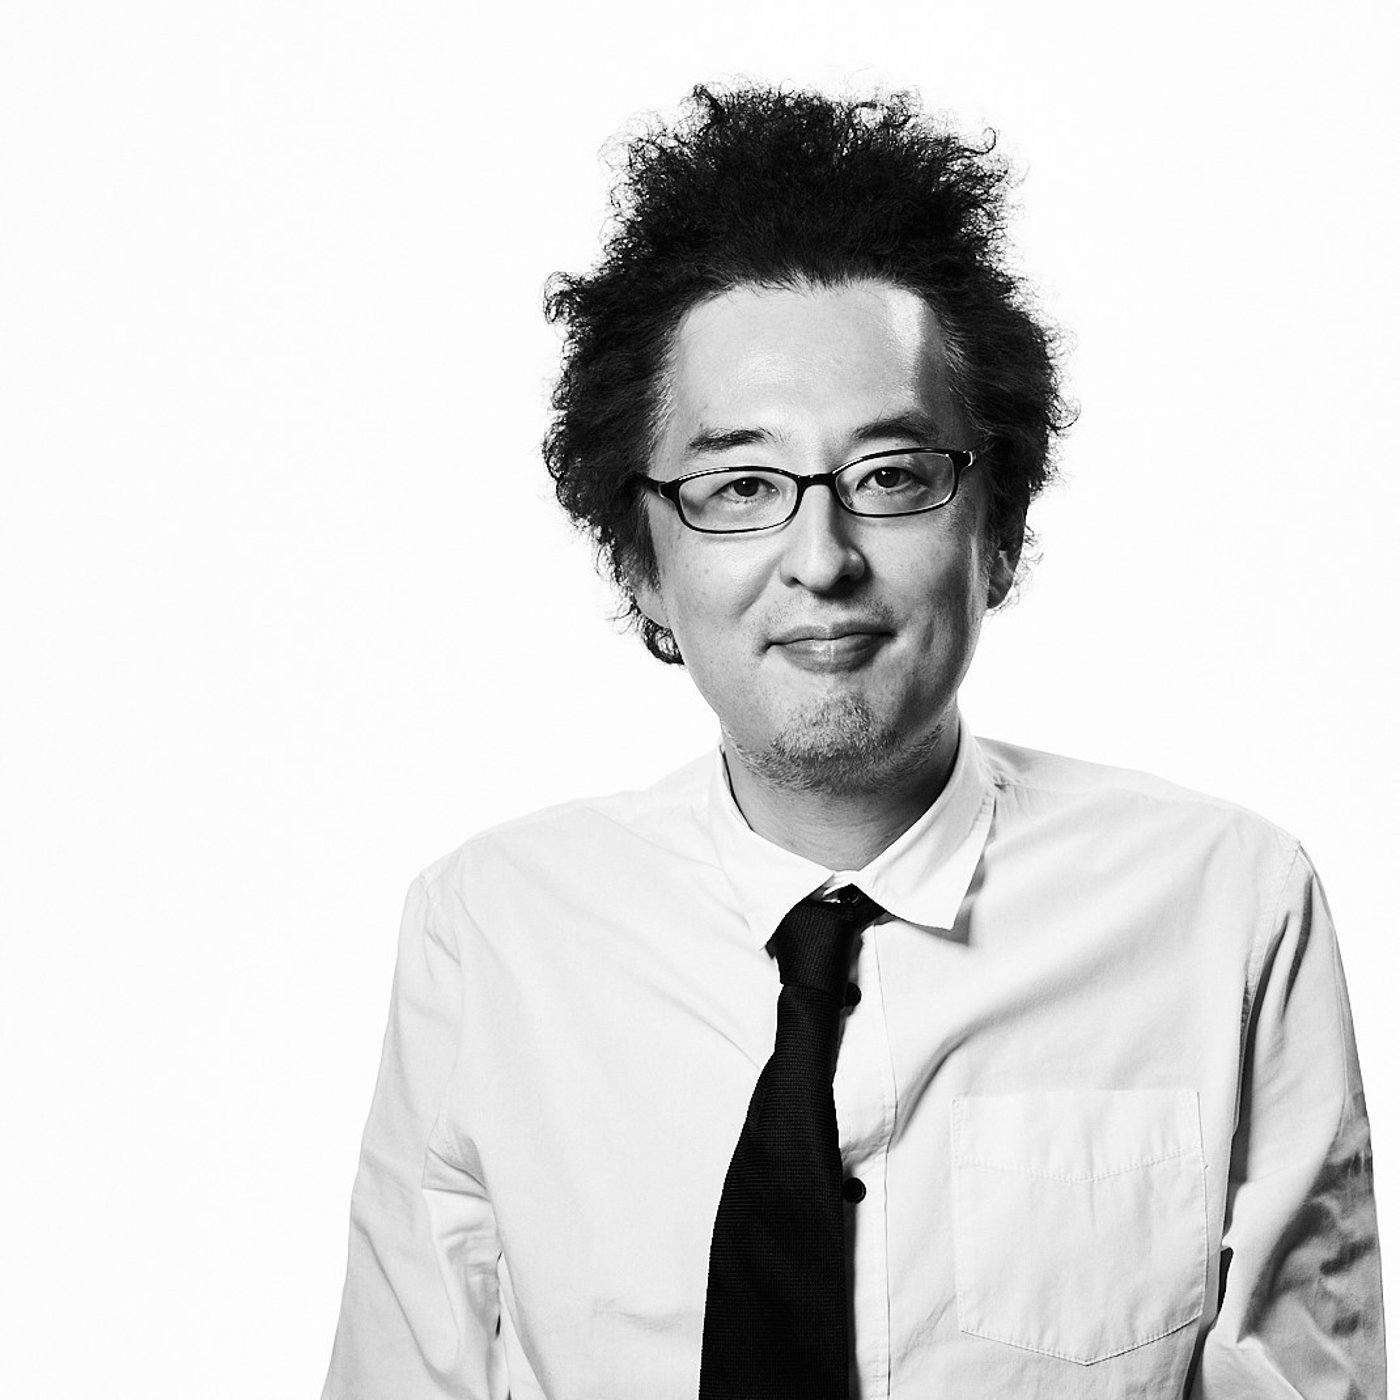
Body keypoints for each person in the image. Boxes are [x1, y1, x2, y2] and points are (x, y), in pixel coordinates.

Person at [321, 85, 1384, 1398]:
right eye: (740, 487)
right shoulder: (492, 933)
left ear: (997, 532)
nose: (821, 559)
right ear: (642, 563)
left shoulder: (1229, 907)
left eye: (890, 477)